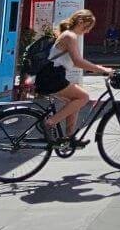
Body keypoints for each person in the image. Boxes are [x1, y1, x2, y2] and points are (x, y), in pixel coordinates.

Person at [37, 10, 113, 144]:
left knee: (74, 100)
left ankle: (69, 138)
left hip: (52, 75)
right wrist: (102, 69)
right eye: (88, 27)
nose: (88, 31)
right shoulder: (70, 36)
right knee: (83, 97)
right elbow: (78, 61)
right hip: (52, 77)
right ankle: (49, 123)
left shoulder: (69, 35)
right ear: (81, 22)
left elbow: (76, 62)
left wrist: (94, 68)